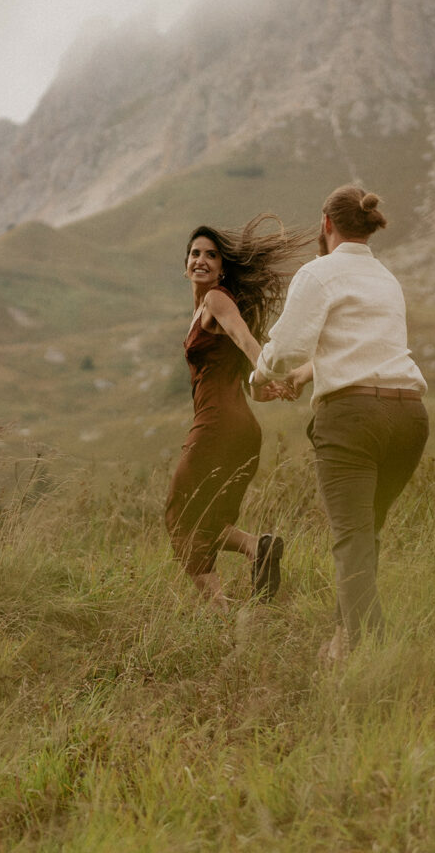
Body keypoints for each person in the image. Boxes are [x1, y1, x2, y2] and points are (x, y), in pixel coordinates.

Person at [250, 185, 429, 659]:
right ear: (367, 225)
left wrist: (258, 378)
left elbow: (286, 348)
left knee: (352, 541)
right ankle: (343, 645)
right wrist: (310, 373)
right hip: (409, 416)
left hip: (353, 420)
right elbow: (366, 350)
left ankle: (370, 658)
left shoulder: (319, 273)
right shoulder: (386, 279)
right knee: (364, 537)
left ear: (326, 224)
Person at [164, 215, 310, 612]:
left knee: (179, 516)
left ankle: (222, 605)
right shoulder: (201, 311)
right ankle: (256, 549)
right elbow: (255, 392)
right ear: (185, 263)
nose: (201, 260)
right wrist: (270, 384)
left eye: (211, 255)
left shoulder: (216, 300)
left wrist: (266, 366)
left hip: (216, 426)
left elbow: (246, 339)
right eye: (195, 253)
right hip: (241, 427)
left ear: (222, 267)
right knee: (206, 519)